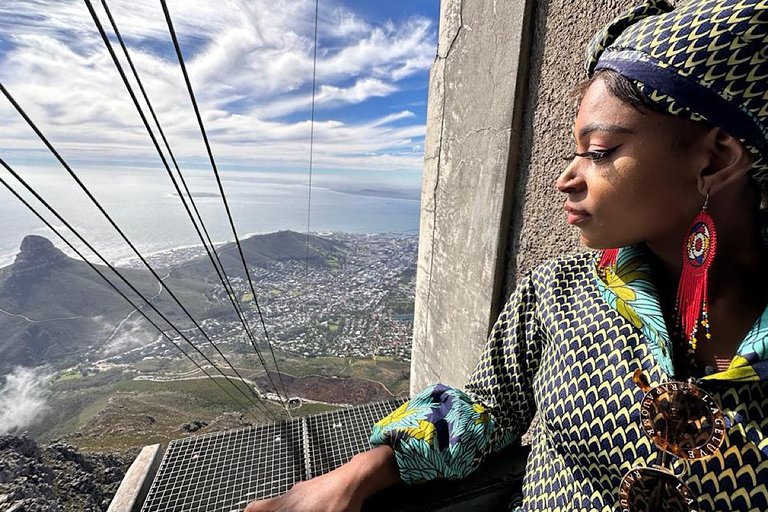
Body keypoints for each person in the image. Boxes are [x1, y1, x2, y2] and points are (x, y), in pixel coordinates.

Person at [245, 0, 768, 510]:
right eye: (575, 152)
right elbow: (487, 406)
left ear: (717, 157)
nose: (566, 179)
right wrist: (362, 471)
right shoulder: (560, 292)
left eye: (600, 151)